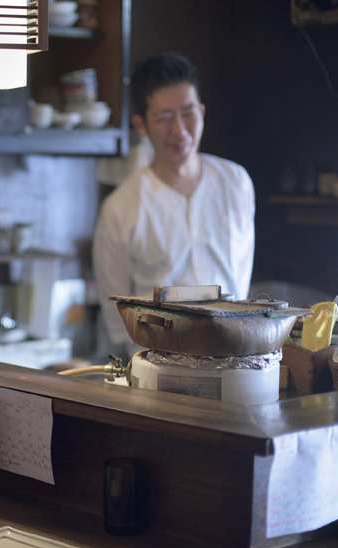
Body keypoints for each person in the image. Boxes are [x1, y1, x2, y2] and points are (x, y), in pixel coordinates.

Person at [92, 52, 255, 355]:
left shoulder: (236, 182)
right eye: (165, 118)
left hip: (234, 358)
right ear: (141, 125)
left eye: (189, 113)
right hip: (157, 370)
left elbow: (241, 273)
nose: (180, 129)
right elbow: (117, 317)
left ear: (203, 112)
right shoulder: (121, 206)